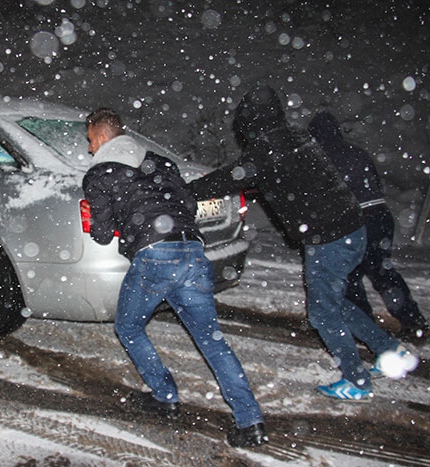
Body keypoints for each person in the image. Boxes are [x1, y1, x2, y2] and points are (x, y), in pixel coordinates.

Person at [188, 86, 418, 402]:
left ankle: (357, 380)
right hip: (353, 229)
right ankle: (391, 351)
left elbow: (226, 179)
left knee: (323, 313)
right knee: (335, 302)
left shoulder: (266, 150)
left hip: (329, 239)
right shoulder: (295, 137)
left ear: (251, 121)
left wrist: (184, 192)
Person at [81, 107, 267, 447]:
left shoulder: (100, 173)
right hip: (194, 253)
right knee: (212, 341)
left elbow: (103, 234)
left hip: (155, 257)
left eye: (92, 140)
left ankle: (165, 396)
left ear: (104, 137)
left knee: (128, 326)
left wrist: (105, 221)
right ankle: (250, 420)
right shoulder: (162, 163)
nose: (91, 148)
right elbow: (187, 206)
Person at [308, 111, 429, 341]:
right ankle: (413, 321)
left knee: (350, 274)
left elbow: (320, 197)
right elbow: (374, 183)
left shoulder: (320, 157)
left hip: (356, 220)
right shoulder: (357, 152)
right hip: (381, 216)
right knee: (383, 271)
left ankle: (364, 327)